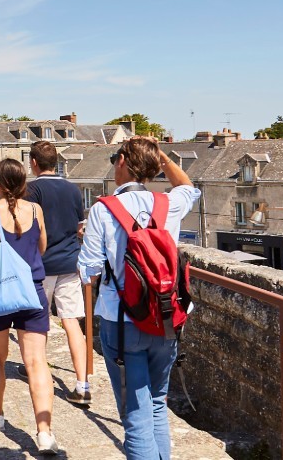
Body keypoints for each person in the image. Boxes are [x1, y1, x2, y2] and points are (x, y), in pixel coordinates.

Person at [79, 137, 200, 459]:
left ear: (121, 162)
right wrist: (161, 157)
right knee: (157, 404)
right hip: (164, 318)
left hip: (122, 321)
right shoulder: (168, 204)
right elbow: (190, 187)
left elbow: (88, 271)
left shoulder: (103, 209)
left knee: (135, 415)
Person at [0, 159, 61, 455]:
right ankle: (44, 432)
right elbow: (42, 246)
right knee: (36, 362)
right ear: (23, 184)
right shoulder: (35, 210)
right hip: (31, 292)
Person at [24, 140, 92, 404]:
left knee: (38, 324)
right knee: (72, 322)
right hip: (69, 263)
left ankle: (37, 372)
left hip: (41, 265)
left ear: (33, 163)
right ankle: (82, 384)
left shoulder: (32, 190)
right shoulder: (73, 189)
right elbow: (79, 226)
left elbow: (29, 228)